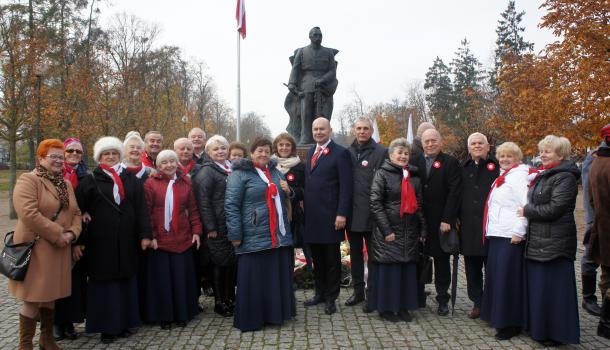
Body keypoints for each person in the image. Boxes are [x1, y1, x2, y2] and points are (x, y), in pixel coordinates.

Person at [76, 136, 152, 344]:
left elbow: (141, 210)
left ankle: (125, 322)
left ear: (120, 155)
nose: (110, 157)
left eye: (114, 153)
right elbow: (78, 209)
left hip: (127, 240)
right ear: (99, 157)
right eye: (106, 154)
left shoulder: (131, 179)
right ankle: (107, 326)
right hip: (100, 242)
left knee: (126, 280)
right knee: (104, 284)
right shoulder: (90, 180)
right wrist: (80, 236)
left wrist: (145, 235)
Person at [9, 139, 82, 350]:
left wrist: (72, 233)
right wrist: (59, 234)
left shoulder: (65, 184)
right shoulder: (29, 180)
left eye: (61, 157)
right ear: (41, 158)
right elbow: (29, 214)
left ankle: (46, 340)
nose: (59, 161)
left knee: (50, 297)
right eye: (54, 156)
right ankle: (25, 345)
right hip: (37, 248)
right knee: (32, 299)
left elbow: (76, 213)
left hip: (59, 249)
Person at [225, 137, 295, 331]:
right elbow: (231, 206)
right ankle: (252, 319)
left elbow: (286, 198)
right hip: (252, 236)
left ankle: (274, 315)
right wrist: (235, 234)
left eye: (266, 151)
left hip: (276, 236)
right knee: (253, 280)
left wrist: (289, 191)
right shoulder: (239, 175)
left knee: (273, 278)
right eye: (259, 151)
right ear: (251, 153)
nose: (263, 154)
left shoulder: (275, 171)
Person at [519, 135, 580, 346]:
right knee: (541, 290)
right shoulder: (544, 175)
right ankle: (540, 330)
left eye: (548, 151)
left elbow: (555, 209)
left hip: (555, 244)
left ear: (561, 155)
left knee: (555, 293)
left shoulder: (565, 178)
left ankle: (558, 334)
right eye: (541, 151)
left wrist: (526, 211)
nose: (542, 155)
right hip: (540, 242)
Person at [368, 138, 426, 322]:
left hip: (409, 231)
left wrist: (423, 229)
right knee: (389, 271)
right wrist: (387, 230)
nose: (403, 156)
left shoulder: (414, 177)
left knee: (406, 271)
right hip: (389, 231)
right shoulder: (382, 174)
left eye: (406, 153)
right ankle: (386, 308)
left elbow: (419, 205)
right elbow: (375, 203)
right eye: (399, 152)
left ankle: (403, 307)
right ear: (391, 155)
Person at [143, 150, 202, 329]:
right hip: (159, 240)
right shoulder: (150, 184)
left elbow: (193, 209)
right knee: (163, 281)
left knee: (181, 278)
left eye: (172, 161)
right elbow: (147, 212)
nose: (169, 165)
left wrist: (196, 231)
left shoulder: (186, 183)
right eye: (164, 163)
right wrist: (151, 236)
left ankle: (182, 314)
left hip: (182, 238)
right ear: (158, 166)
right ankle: (165, 316)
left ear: (177, 163)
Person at [303, 117, 353, 315]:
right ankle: (319, 293)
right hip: (313, 217)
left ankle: (331, 298)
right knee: (317, 259)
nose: (318, 132)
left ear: (330, 130)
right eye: (315, 129)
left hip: (332, 216)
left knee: (332, 260)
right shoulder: (310, 152)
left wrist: (342, 213)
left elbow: (346, 187)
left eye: (322, 129)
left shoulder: (341, 153)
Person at [479, 142, 529, 340]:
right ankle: (497, 316)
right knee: (497, 278)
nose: (505, 159)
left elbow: (525, 205)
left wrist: (519, 231)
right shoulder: (504, 176)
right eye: (502, 156)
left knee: (508, 280)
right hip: (498, 234)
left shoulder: (520, 177)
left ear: (518, 158)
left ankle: (510, 323)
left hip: (511, 236)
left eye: (509, 156)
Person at [410, 129, 461, 315]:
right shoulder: (414, 162)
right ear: (421, 143)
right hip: (419, 220)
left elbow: (455, 192)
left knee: (441, 261)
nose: (430, 144)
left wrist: (448, 218)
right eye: (427, 141)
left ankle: (442, 299)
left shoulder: (450, 162)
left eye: (433, 141)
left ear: (441, 142)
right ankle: (417, 296)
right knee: (418, 259)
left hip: (441, 221)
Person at [193, 135, 237, 317]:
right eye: (215, 149)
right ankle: (220, 302)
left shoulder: (231, 168)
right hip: (216, 227)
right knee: (219, 265)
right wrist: (210, 227)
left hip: (231, 224)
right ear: (209, 153)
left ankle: (230, 298)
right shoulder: (207, 172)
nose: (220, 151)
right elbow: (203, 202)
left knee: (230, 264)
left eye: (223, 148)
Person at [346, 117, 386, 307]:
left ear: (370, 131)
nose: (362, 131)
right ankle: (358, 292)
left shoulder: (381, 151)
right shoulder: (347, 152)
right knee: (355, 256)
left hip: (373, 215)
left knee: (373, 256)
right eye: (359, 128)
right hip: (353, 215)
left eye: (366, 128)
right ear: (354, 130)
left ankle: (373, 294)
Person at [459, 132, 499, 319]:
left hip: (491, 227)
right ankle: (477, 302)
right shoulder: (463, 168)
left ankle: (492, 302)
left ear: (487, 146)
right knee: (472, 268)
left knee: (491, 267)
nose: (477, 146)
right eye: (473, 144)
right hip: (468, 227)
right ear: (468, 148)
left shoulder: (497, 167)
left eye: (480, 143)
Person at [53, 137, 89, 341]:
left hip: (77, 235)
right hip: (57, 236)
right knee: (56, 283)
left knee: (74, 283)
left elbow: (84, 211)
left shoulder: (84, 176)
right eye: (70, 151)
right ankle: (56, 323)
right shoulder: (55, 175)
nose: (74, 155)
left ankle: (69, 322)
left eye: (78, 152)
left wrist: (78, 240)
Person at [286, 27, 339, 145]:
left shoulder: (328, 52)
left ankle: (321, 138)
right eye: (315, 35)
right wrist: (292, 83)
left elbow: (332, 70)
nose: (318, 37)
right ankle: (305, 136)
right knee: (306, 112)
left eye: (320, 35)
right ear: (310, 37)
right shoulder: (302, 51)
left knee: (322, 114)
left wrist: (323, 79)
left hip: (324, 87)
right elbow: (296, 69)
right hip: (306, 85)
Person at [585, 123, 610, 339]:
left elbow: (591, 200)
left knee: (606, 275)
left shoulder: (596, 162)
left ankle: (606, 322)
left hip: (603, 228)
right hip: (604, 227)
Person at [272, 132, 309, 268]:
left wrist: (290, 191)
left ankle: (290, 279)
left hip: (293, 215)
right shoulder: (269, 165)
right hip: (273, 213)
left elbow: (305, 190)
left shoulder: (300, 166)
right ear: (276, 146)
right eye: (281, 145)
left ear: (292, 148)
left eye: (287, 145)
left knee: (290, 246)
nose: (284, 148)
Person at [580, 140, 604, 317]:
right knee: (590, 257)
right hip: (598, 217)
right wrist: (592, 219)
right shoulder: (596, 156)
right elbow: (590, 189)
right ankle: (588, 298)